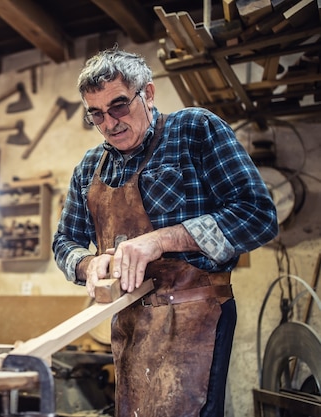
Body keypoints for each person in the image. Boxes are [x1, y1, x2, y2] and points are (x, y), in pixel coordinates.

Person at [52, 47, 278, 417]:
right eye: (96, 114)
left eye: (120, 106)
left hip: (195, 316)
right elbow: (65, 242)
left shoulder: (195, 130)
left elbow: (258, 215)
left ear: (149, 94)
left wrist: (161, 240)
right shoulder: (89, 166)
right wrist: (87, 264)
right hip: (129, 321)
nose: (110, 123)